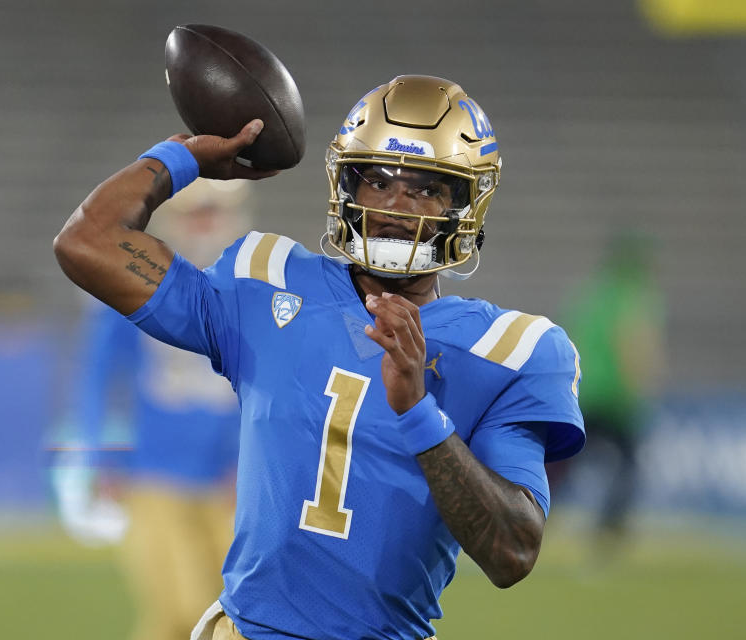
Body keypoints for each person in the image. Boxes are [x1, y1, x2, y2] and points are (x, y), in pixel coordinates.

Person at [55, 75, 585, 640]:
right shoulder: (266, 282)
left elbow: (513, 552)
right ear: (345, 187)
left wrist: (418, 412)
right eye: (376, 180)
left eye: (428, 187)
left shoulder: (507, 351)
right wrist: (181, 159)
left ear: (466, 205)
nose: (397, 205)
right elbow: (86, 241)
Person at [64, 180, 249, 640]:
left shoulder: (250, 294)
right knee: (186, 611)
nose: (205, 223)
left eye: (213, 212)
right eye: (195, 213)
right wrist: (100, 457)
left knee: (231, 618)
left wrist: (253, 462)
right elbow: (99, 377)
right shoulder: (136, 284)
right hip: (155, 477)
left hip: (227, 483)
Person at [560, 233, 664, 559]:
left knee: (565, 464)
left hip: (584, 393)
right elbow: (633, 342)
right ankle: (607, 534)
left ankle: (526, 518)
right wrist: (643, 383)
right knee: (628, 466)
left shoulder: (592, 296)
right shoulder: (635, 297)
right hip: (616, 398)